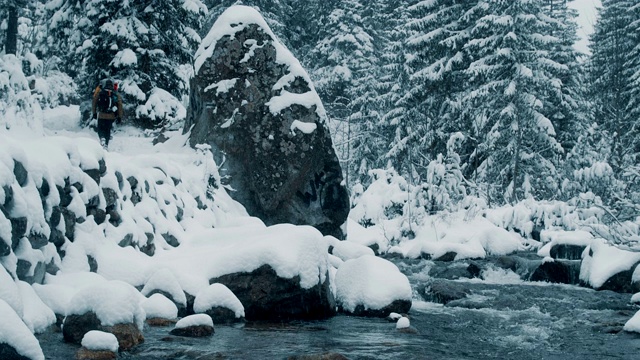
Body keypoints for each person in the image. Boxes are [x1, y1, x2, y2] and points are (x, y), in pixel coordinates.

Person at [92, 79, 123, 150]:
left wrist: (94, 113)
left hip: (101, 115)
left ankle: (102, 139)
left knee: (100, 129)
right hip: (110, 116)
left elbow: (94, 101)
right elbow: (120, 105)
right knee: (107, 130)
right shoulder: (115, 93)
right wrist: (119, 116)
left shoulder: (101, 92)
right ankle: (106, 145)